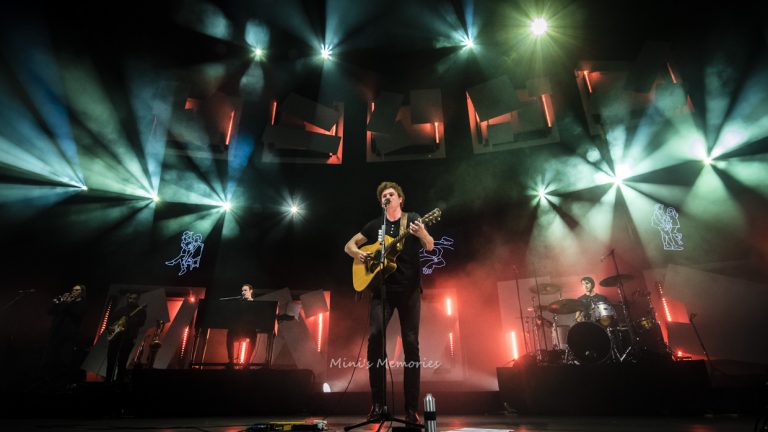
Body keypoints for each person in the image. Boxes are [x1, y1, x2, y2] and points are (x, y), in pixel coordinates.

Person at [344, 181, 434, 425]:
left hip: (409, 292)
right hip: (381, 291)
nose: (388, 197)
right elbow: (349, 245)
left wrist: (421, 233)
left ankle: (411, 409)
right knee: (374, 341)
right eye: (384, 195)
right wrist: (359, 254)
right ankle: (377, 405)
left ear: (400, 199)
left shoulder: (413, 219)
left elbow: (430, 245)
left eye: (391, 194)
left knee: (411, 345)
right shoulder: (375, 226)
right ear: (381, 201)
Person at [43, 284, 87, 388]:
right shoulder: (67, 302)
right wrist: (59, 302)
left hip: (69, 336)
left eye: (77, 290)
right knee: (50, 357)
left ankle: (62, 383)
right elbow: (50, 312)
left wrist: (67, 303)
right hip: (56, 333)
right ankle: (47, 380)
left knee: (64, 359)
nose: (73, 291)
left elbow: (77, 314)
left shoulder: (82, 303)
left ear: (82, 292)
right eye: (73, 290)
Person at [105, 292, 147, 384]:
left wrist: (128, 319)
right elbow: (110, 321)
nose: (132, 300)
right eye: (130, 298)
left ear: (138, 299)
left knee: (122, 362)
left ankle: (119, 383)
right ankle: (108, 382)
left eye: (134, 298)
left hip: (128, 339)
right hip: (115, 339)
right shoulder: (121, 309)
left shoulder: (141, 311)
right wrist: (111, 328)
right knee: (111, 361)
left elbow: (141, 323)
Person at [225, 284, 259, 368]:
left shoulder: (254, 305)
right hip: (236, 330)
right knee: (230, 334)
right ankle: (231, 361)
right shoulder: (236, 304)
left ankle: (246, 362)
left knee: (253, 335)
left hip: (248, 331)